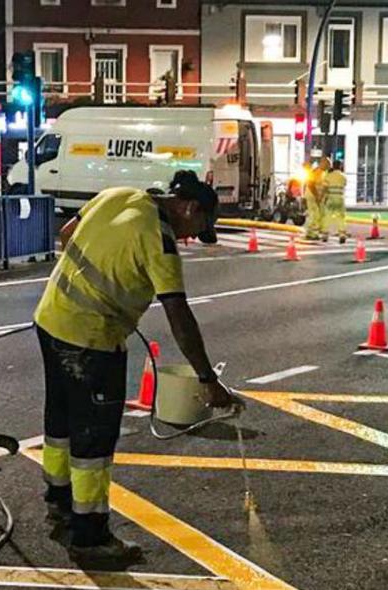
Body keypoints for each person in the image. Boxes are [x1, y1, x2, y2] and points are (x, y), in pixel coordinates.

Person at [35, 171, 242, 561]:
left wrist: (95, 283)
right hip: (92, 340)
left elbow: (67, 236)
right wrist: (208, 379)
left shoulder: (116, 195)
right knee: (93, 442)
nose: (191, 238)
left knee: (60, 422)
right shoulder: (160, 242)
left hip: (51, 321)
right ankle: (90, 536)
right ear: (189, 207)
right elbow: (179, 314)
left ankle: (58, 505)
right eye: (198, 229)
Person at [322, 158, 348, 244]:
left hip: (331, 197)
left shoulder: (328, 176)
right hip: (340, 198)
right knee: (341, 217)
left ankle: (325, 234)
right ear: (340, 166)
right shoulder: (343, 176)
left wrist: (324, 198)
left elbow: (325, 188)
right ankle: (342, 235)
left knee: (327, 216)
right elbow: (344, 185)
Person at [302, 159, 326, 241]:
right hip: (312, 196)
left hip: (315, 196)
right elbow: (310, 184)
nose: (328, 166)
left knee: (316, 214)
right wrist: (317, 196)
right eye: (326, 164)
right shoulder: (316, 172)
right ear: (321, 164)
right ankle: (312, 233)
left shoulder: (322, 173)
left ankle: (311, 232)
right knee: (314, 214)